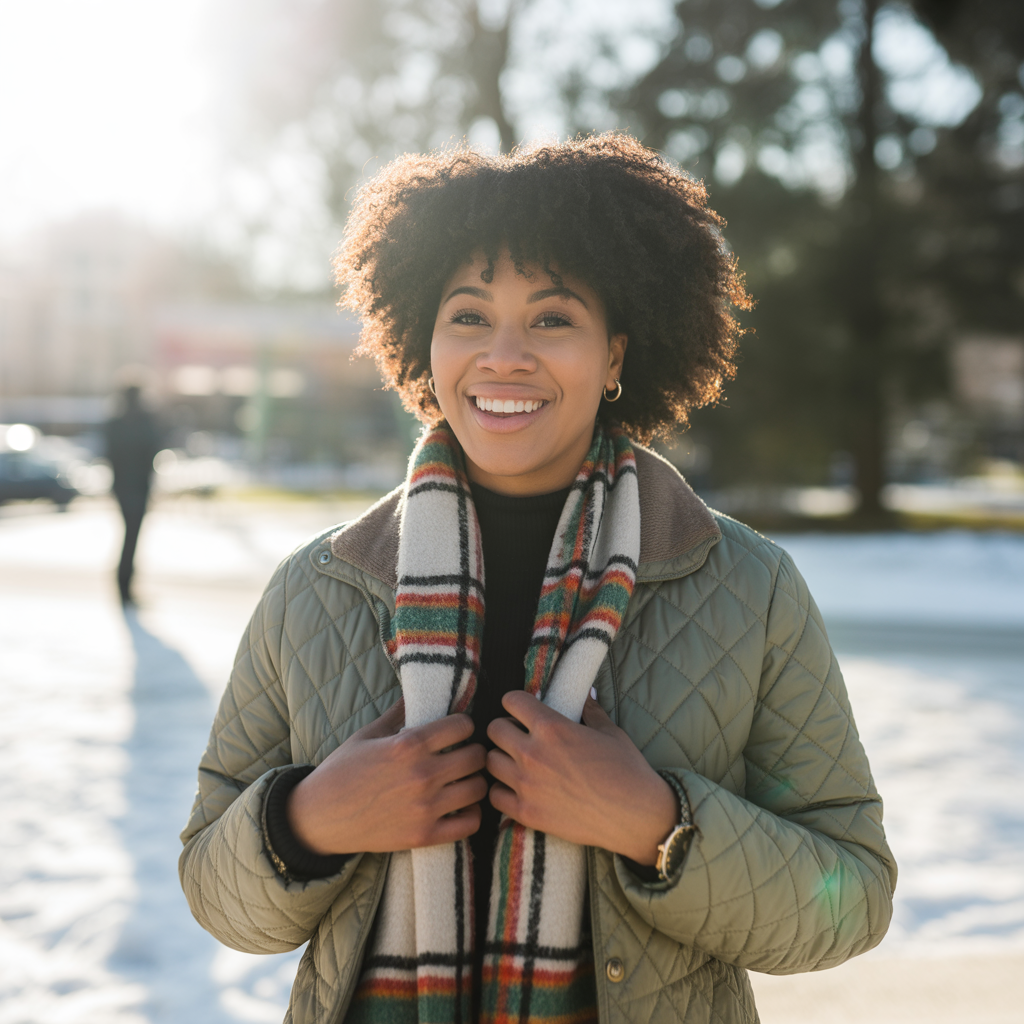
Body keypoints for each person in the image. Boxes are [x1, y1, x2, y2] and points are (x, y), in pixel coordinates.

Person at [180, 135, 896, 1024]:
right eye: (468, 316)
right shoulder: (315, 588)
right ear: (424, 343)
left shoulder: (748, 587)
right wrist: (309, 821)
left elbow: (853, 894)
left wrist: (658, 825)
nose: (504, 355)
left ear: (616, 356)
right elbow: (211, 888)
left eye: (552, 319)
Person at [104, 384, 161, 605]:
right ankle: (125, 586)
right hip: (138, 487)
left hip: (122, 487)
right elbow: (153, 452)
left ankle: (124, 585)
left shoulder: (115, 422)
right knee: (132, 537)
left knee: (129, 536)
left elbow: (109, 455)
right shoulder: (146, 421)